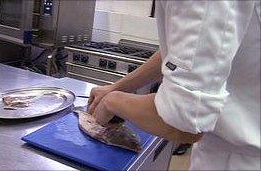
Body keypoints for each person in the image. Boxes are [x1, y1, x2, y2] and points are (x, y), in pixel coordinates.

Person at [88, 1, 260, 170]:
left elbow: (184, 122)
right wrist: (117, 87)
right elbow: (178, 53)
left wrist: (112, 101)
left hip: (237, 160)